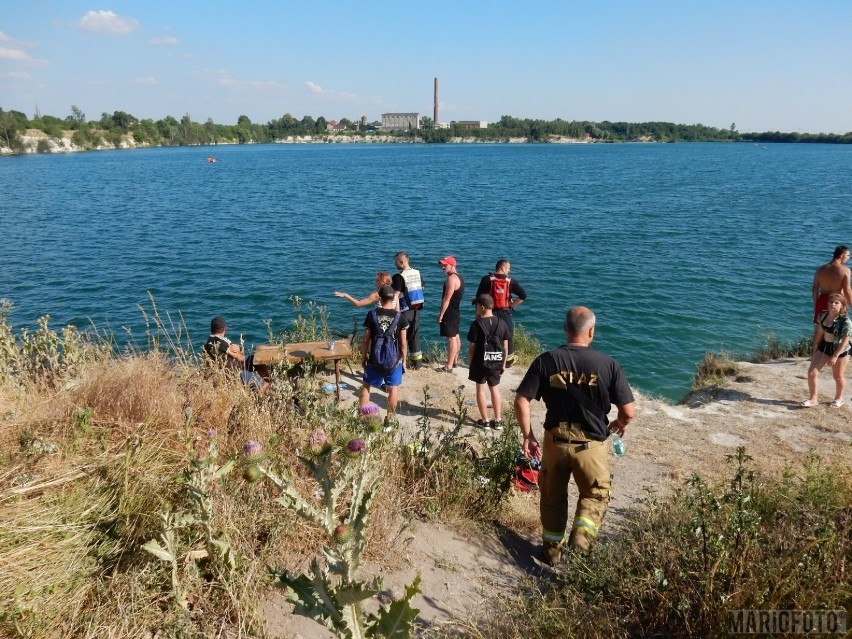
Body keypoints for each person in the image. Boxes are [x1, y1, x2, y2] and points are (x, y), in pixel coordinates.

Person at [515, 306, 635, 566]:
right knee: (594, 496)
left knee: (552, 498)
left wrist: (529, 436)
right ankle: (579, 553)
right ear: (591, 331)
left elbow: (522, 400)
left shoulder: (546, 361)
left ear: (565, 329)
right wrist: (619, 423)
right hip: (590, 445)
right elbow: (628, 411)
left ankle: (551, 554)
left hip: (555, 442)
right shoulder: (608, 364)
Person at [360, 285, 409, 419]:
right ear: (393, 298)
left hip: (374, 359)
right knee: (393, 388)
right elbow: (403, 343)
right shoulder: (400, 317)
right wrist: (404, 361)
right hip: (394, 360)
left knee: (366, 386)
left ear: (380, 299)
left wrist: (364, 357)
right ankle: (390, 419)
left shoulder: (372, 314)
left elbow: (365, 340)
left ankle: (363, 417)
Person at [467, 294, 510, 430]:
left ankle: (485, 421)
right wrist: (503, 364)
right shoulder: (502, 323)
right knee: (494, 389)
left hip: (480, 362)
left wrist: (470, 363)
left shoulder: (476, 324)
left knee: (481, 390)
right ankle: (497, 421)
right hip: (496, 361)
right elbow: (505, 346)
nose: (476, 309)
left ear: (482, 307)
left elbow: (471, 348)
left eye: (477, 306)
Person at [801, 293, 851, 408]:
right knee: (812, 373)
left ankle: (839, 399)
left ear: (842, 306)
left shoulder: (845, 321)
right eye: (831, 302)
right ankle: (813, 399)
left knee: (837, 376)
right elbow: (819, 332)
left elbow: (845, 341)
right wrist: (815, 347)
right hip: (824, 347)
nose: (833, 304)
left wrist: (835, 356)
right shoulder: (822, 315)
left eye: (836, 302)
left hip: (840, 351)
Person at [474, 259, 527, 365]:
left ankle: (485, 357)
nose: (509, 270)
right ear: (502, 268)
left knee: (486, 335)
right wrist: (512, 304)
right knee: (507, 335)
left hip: (489, 312)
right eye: (508, 268)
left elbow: (479, 298)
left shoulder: (486, 279)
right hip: (504, 312)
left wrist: (478, 315)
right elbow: (523, 295)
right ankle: (508, 360)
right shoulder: (511, 281)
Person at [203, 316, 270, 393]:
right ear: (225, 329)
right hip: (236, 371)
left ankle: (262, 385)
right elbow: (240, 357)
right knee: (264, 382)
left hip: (234, 367)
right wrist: (239, 349)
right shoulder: (220, 342)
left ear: (211, 329)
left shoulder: (210, 341)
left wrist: (238, 349)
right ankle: (264, 391)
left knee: (258, 361)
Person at [391, 252, 425, 370]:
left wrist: (393, 311)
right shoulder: (417, 273)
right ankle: (417, 364)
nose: (395, 264)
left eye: (396, 262)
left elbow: (395, 295)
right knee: (414, 336)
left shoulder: (399, 277)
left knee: (400, 337)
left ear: (402, 262)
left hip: (404, 310)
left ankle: (399, 362)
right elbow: (422, 287)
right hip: (416, 309)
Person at [436, 255, 464, 372]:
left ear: (452, 266)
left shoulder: (451, 279)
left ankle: (449, 366)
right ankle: (455, 361)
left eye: (445, 265)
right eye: (442, 265)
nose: (443, 267)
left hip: (450, 312)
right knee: (456, 336)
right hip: (456, 311)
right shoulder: (459, 278)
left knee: (451, 339)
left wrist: (441, 314)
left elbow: (447, 299)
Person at [812, 245, 852, 323]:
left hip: (822, 301)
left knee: (820, 329)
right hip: (837, 302)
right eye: (848, 256)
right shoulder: (845, 270)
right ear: (841, 256)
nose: (848, 258)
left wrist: (815, 305)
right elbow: (847, 290)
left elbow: (815, 289)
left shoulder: (820, 270)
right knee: (837, 330)